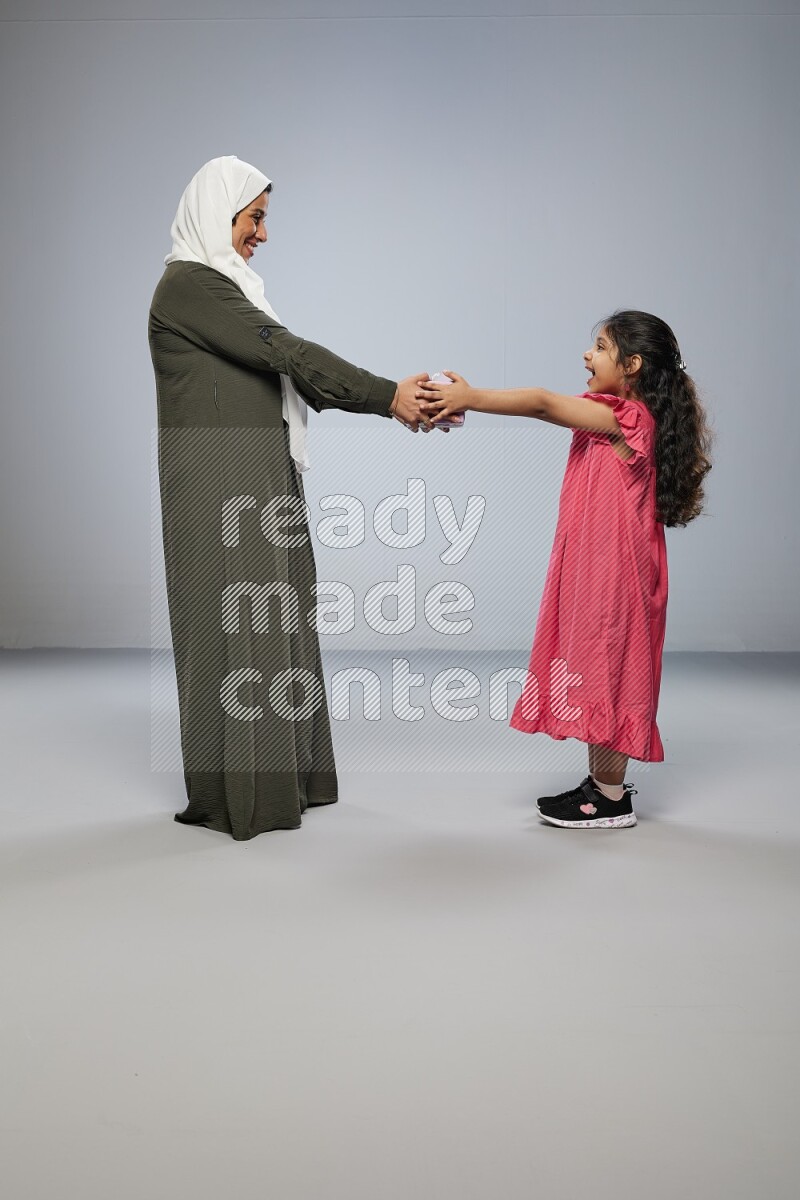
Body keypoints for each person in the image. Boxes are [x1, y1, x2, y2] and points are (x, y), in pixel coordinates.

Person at [148, 155, 431, 841]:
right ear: (220, 215)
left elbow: (287, 371)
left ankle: (287, 782)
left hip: (259, 468)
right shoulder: (189, 287)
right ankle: (240, 798)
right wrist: (387, 394)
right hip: (217, 477)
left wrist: (391, 398)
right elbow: (288, 354)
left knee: (276, 616)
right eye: (255, 218)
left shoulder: (227, 288)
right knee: (233, 623)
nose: (263, 234)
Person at [420, 310, 712, 829]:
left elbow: (542, 404)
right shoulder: (624, 416)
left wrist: (472, 398)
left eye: (600, 347)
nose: (587, 355)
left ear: (633, 365)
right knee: (600, 668)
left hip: (616, 577)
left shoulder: (628, 419)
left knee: (608, 668)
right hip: (601, 568)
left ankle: (611, 800)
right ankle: (602, 788)